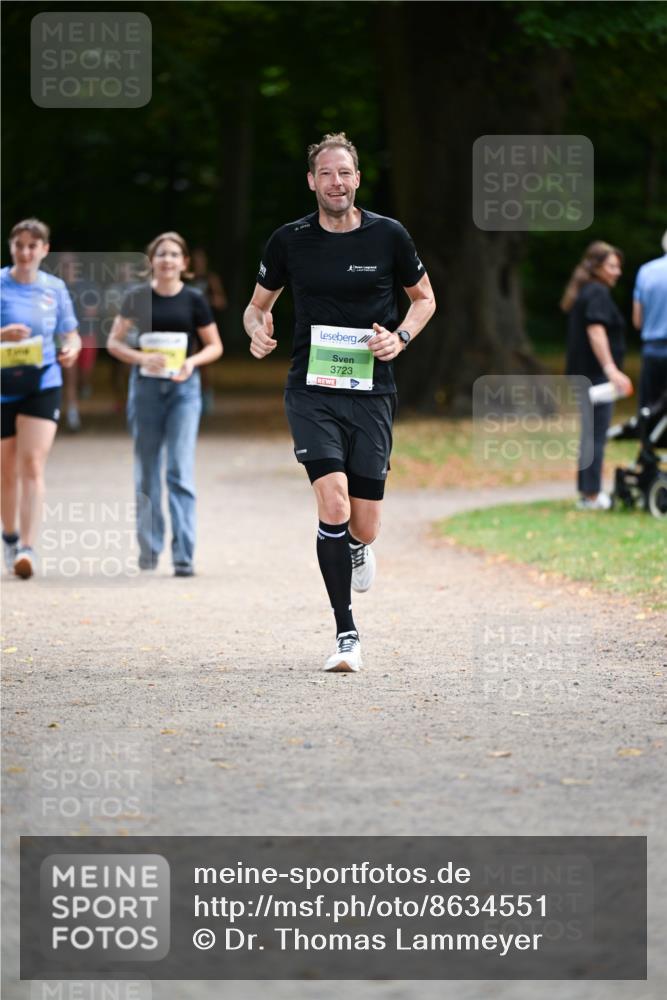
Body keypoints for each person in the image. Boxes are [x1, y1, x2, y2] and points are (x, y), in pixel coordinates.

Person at [243, 132, 435, 672]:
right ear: (312, 181)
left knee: (365, 523)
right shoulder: (289, 240)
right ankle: (346, 632)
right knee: (333, 503)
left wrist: (400, 337)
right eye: (326, 173)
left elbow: (425, 299)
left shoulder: (388, 236)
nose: (336, 182)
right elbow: (255, 308)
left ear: (357, 178)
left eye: (344, 173)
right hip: (311, 389)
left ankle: (356, 546)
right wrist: (257, 330)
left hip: (372, 391)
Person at [107, 232, 223, 576]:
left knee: (179, 469)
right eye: (162, 254)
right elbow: (113, 342)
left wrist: (192, 363)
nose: (168, 260)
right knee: (146, 470)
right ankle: (149, 548)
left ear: (184, 263)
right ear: (152, 261)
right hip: (145, 390)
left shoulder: (194, 300)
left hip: (184, 391)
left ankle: (184, 555)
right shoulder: (137, 298)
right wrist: (140, 357)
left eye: (174, 254)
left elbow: (213, 346)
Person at [1, 218, 81, 578]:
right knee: (5, 471)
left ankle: (28, 549)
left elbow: (72, 334)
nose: (26, 252)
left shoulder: (55, 289)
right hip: (3, 385)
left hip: (43, 381)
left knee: (32, 464)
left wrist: (71, 350)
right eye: (20, 245)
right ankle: (10, 536)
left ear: (45, 250)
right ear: (11, 247)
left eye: (33, 246)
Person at [562, 240, 633, 510]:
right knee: (595, 434)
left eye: (618, 267)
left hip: (585, 375)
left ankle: (587, 493)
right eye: (612, 266)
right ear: (597, 267)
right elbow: (596, 331)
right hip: (594, 376)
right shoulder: (597, 293)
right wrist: (611, 369)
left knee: (591, 433)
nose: (617, 272)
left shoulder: (587, 291)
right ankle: (591, 495)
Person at [190, 248, 228, 416]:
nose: (198, 263)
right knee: (189, 359)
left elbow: (221, 301)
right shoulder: (187, 278)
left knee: (204, 365)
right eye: (195, 260)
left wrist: (206, 301)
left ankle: (206, 398)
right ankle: (190, 397)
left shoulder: (210, 279)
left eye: (201, 260)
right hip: (189, 325)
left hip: (205, 325)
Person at [632, 230, 667, 408]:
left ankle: (648, 436)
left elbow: (637, 320)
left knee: (649, 406)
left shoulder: (646, 271)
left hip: (652, 349)